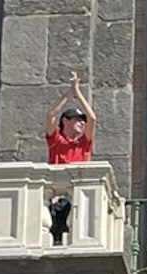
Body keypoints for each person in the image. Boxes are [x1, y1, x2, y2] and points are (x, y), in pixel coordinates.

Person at [45, 71, 96, 244]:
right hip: (58, 196)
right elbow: (50, 115)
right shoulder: (56, 141)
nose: (82, 123)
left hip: (77, 195)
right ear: (65, 121)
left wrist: (78, 92)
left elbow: (92, 118)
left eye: (82, 120)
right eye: (77, 119)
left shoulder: (84, 143)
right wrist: (68, 95)